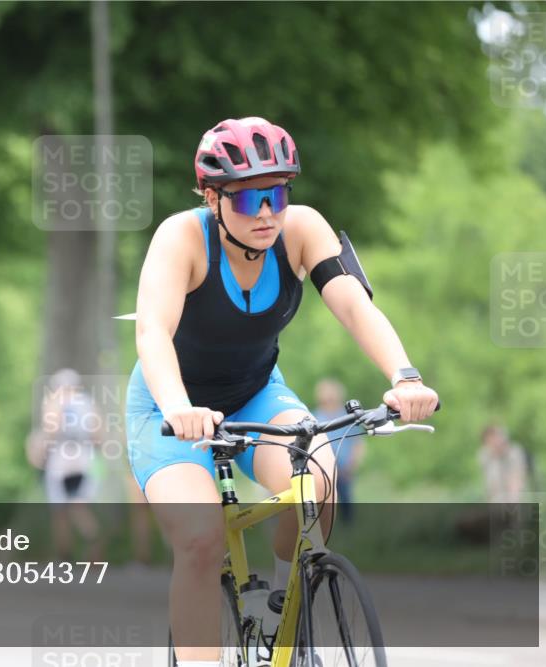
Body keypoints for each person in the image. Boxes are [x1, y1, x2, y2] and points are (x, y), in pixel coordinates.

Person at [125, 117, 439, 666]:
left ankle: (280, 608)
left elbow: (353, 306)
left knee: (318, 480)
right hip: (168, 406)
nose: (267, 213)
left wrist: (405, 376)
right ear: (212, 197)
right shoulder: (181, 238)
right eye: (249, 200)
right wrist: (179, 407)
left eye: (277, 194)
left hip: (255, 393)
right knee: (200, 538)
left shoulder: (302, 229)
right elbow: (153, 331)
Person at [39, 369, 103, 560]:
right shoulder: (89, 403)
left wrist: (41, 453)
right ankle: (94, 549)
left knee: (60, 512)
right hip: (85, 458)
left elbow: (50, 431)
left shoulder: (53, 402)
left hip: (60, 461)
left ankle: (65, 557)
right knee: (79, 506)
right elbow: (98, 436)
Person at [313, 379, 364, 523]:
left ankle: (348, 526)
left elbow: (357, 442)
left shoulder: (348, 417)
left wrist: (353, 463)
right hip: (322, 468)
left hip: (344, 467)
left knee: (345, 498)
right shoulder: (314, 417)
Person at [478, 423, 527, 504]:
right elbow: (491, 486)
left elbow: (516, 482)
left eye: (495, 438)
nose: (494, 442)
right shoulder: (485, 456)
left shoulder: (514, 453)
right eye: (489, 440)